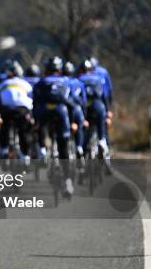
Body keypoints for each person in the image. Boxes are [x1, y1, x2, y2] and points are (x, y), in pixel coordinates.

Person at [33, 56, 77, 196]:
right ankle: (68, 182)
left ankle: (42, 151)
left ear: (46, 69)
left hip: (43, 111)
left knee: (40, 128)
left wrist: (36, 121)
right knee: (63, 147)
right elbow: (71, 104)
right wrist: (72, 123)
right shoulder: (65, 81)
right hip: (61, 112)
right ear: (59, 69)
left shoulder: (41, 81)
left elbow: (35, 101)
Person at [0, 60, 33, 163]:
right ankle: (25, 155)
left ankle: (4, 149)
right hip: (22, 110)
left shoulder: (3, 83)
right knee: (23, 131)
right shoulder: (25, 83)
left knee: (4, 128)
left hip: (6, 110)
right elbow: (31, 99)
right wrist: (31, 115)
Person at [78, 60, 110, 159]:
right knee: (102, 126)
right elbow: (105, 96)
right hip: (98, 106)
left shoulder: (79, 79)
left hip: (85, 107)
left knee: (83, 129)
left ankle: (81, 150)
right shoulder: (98, 79)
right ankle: (102, 141)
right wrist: (107, 111)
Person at [64, 61, 87, 163]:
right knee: (80, 127)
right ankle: (79, 147)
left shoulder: (61, 82)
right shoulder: (79, 83)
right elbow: (84, 102)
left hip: (65, 111)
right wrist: (85, 118)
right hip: (78, 110)